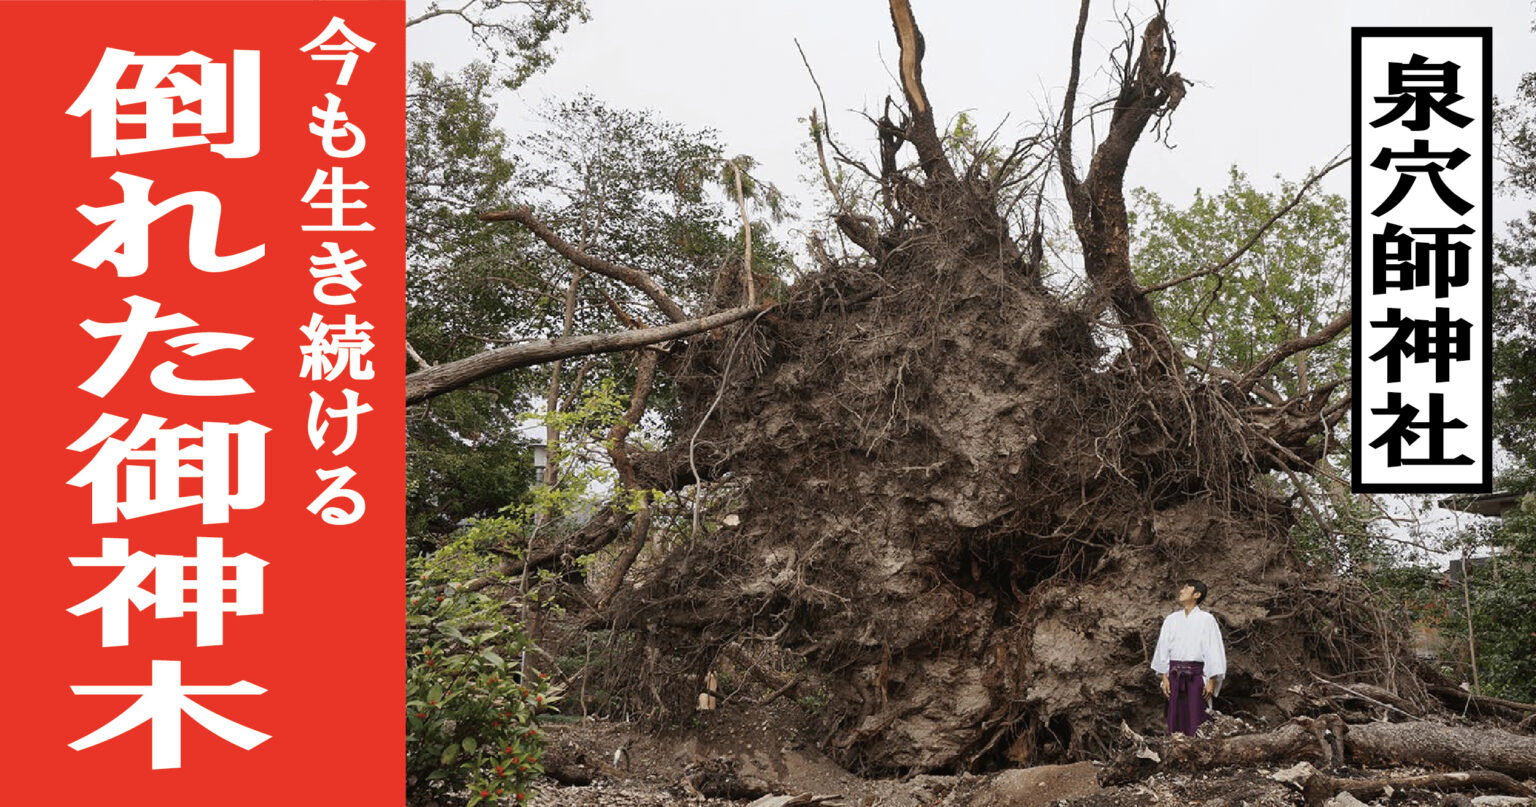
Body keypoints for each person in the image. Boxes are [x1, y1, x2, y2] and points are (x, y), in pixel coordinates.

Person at [1150, 579, 1226, 736]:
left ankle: (1200, 752)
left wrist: (1211, 679)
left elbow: (1213, 649)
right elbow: (1163, 648)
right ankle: (1178, 751)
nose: (1181, 591)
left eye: (1186, 588)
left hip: (1196, 676)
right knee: (1175, 716)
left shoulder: (1206, 619)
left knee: (1198, 717)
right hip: (1174, 676)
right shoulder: (1171, 619)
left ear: (1197, 594)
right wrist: (1164, 676)